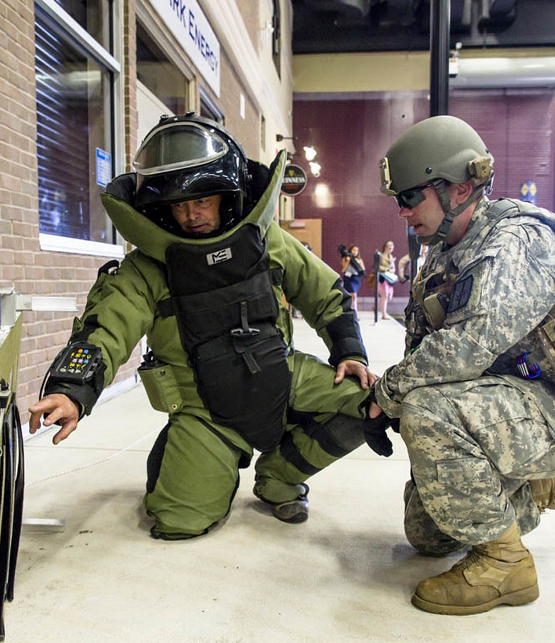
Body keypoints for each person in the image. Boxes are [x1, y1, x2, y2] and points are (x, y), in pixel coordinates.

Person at [29, 113, 374, 540]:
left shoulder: (268, 241)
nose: (191, 215)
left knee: (374, 403)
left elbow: (326, 293)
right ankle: (179, 456)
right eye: (178, 204)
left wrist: (351, 353)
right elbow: (106, 328)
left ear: (225, 196)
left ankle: (279, 478)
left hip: (282, 377)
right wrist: (72, 390)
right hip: (202, 406)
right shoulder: (147, 269)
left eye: (202, 201)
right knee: (178, 523)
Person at [363, 115, 555, 615]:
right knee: (428, 532)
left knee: (428, 411)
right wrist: (388, 394)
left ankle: (505, 564)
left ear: (457, 188)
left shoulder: (513, 244)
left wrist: (389, 393)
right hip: (517, 399)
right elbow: (424, 344)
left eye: (411, 197)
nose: (403, 212)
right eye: (399, 200)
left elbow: (466, 348)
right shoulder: (445, 251)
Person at [340, 244, 366, 312]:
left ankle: (354, 311)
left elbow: (363, 269)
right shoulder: (345, 258)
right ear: (350, 250)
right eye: (354, 250)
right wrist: (348, 261)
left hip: (355, 278)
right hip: (348, 278)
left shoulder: (359, 260)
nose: (355, 251)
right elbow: (343, 270)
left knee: (354, 295)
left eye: (357, 250)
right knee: (353, 295)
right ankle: (353, 311)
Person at [376, 240, 397, 319]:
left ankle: (377, 306)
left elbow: (393, 267)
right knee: (384, 295)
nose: (390, 250)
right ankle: (384, 314)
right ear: (385, 248)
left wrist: (392, 270)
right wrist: (386, 269)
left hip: (389, 278)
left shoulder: (391, 257)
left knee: (388, 296)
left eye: (392, 248)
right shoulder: (381, 256)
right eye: (389, 248)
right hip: (383, 278)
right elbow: (377, 267)